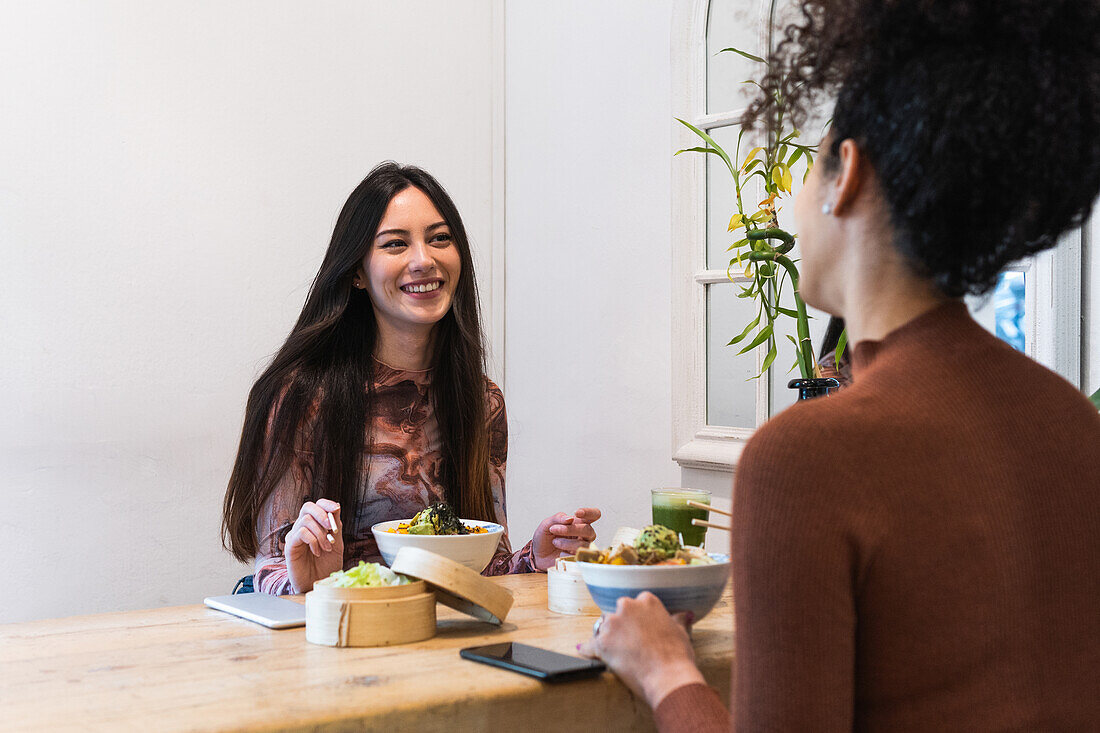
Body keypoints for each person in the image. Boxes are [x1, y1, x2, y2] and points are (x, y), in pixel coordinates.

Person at [581, 0, 1100, 729]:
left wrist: (666, 669)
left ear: (845, 173)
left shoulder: (807, 459)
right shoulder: (1072, 421)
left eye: (808, 166)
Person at [222, 163, 600, 594]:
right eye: (395, 244)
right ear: (357, 272)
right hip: (332, 632)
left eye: (440, 239)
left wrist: (535, 557)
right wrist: (310, 581)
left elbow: (478, 566)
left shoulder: (480, 399)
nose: (424, 260)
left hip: (435, 634)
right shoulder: (301, 396)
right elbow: (271, 569)